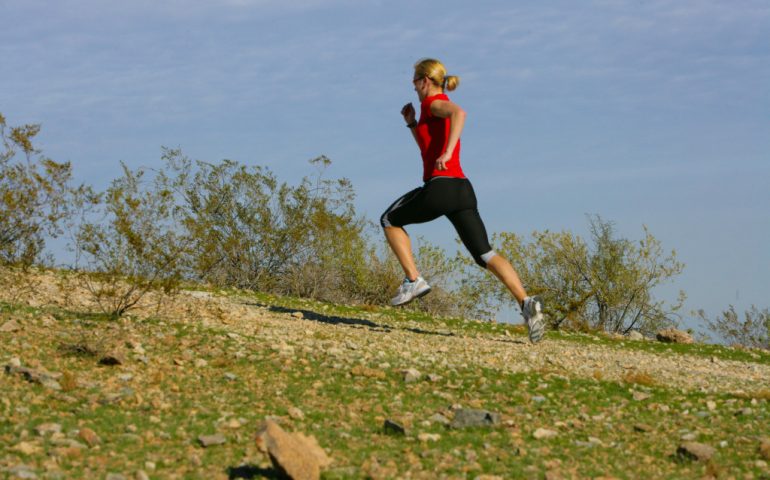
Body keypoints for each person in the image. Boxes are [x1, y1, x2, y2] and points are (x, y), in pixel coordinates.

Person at [380, 58, 546, 343]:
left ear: (425, 81)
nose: (412, 84)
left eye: (415, 78)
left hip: (441, 187)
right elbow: (427, 150)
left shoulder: (435, 102)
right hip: (462, 191)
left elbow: (460, 113)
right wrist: (412, 125)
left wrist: (447, 152)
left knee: (389, 219)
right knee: (485, 254)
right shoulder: (426, 110)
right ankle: (526, 303)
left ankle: (413, 280)